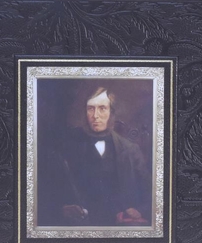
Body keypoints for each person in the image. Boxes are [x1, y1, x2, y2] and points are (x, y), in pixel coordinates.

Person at [38, 87, 151, 227]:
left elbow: (151, 193)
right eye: (91, 109)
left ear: (112, 113)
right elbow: (44, 192)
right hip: (77, 226)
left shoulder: (130, 150)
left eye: (102, 108)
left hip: (117, 226)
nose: (95, 115)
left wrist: (139, 210)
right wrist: (61, 209)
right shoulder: (65, 147)